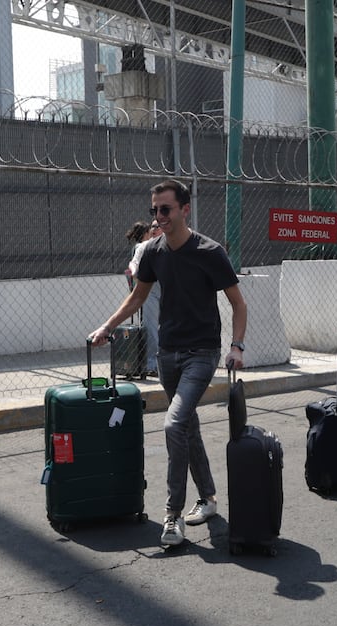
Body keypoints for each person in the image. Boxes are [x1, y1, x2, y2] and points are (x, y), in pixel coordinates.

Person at [89, 179, 248, 547]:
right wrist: (107, 327)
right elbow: (136, 299)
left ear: (184, 209)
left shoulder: (210, 251)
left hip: (201, 354)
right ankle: (208, 498)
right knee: (187, 428)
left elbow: (239, 303)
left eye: (166, 209)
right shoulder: (152, 252)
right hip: (168, 356)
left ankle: (171, 515)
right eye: (154, 211)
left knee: (174, 423)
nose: (159, 217)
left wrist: (237, 346)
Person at [127, 220, 163, 377]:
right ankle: (151, 364)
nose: (154, 230)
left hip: (163, 289)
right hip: (151, 290)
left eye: (157, 226)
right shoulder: (143, 246)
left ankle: (158, 362)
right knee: (151, 327)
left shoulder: (168, 244)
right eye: (152, 227)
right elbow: (133, 266)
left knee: (159, 327)